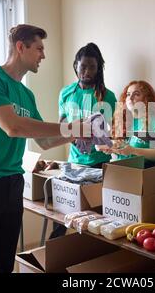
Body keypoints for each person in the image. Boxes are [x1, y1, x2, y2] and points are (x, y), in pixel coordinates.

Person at [0, 24, 88, 273]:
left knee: (5, 262)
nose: (43, 55)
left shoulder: (26, 94)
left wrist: (75, 136)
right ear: (20, 47)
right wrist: (72, 128)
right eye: (39, 48)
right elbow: (13, 127)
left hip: (12, 181)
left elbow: (44, 141)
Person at [48, 42, 117, 239]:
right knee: (63, 215)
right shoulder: (66, 93)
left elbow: (111, 131)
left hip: (99, 163)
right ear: (76, 65)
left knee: (94, 219)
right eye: (83, 66)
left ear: (99, 69)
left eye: (92, 67)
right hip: (75, 163)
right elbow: (61, 124)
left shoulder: (108, 96)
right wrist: (75, 140)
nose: (87, 71)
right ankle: (55, 255)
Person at [104, 80, 155, 168]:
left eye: (136, 94)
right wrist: (113, 147)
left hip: (141, 173)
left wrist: (134, 150)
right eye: (128, 94)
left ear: (147, 99)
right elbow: (121, 148)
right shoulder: (121, 120)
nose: (130, 98)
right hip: (117, 169)